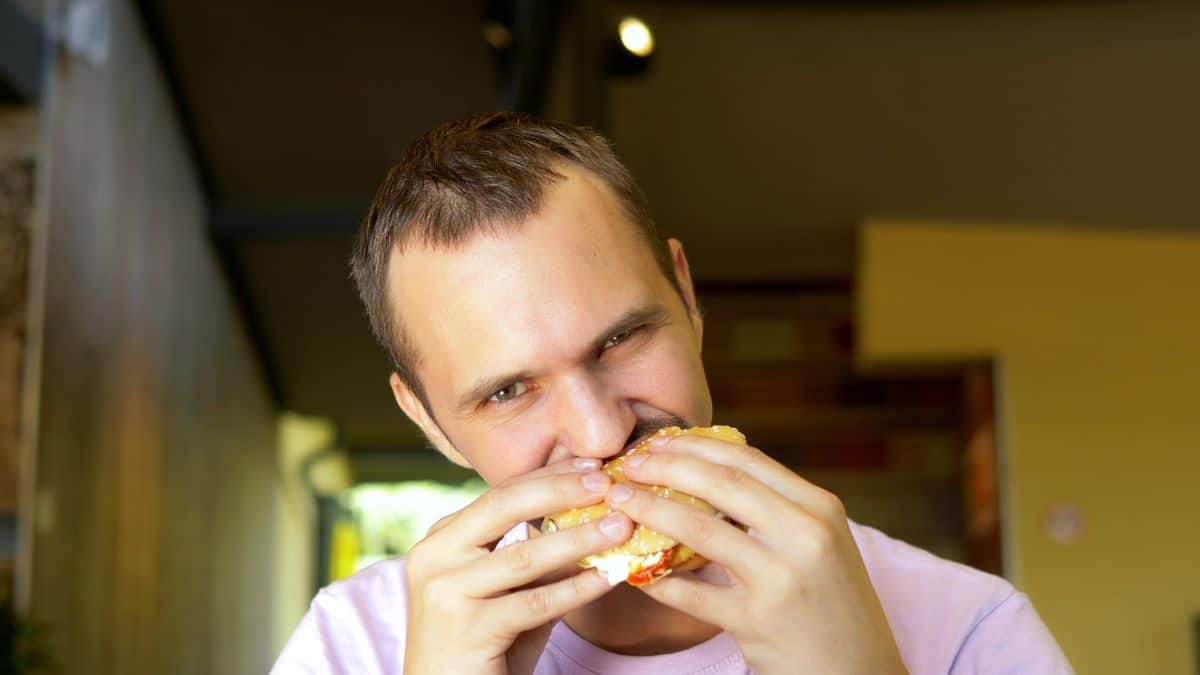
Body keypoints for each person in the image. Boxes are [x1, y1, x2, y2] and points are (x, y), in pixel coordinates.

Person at [271, 112, 1072, 674]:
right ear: (428, 419)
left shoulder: (970, 629)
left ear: (687, 297)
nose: (598, 433)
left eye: (621, 339)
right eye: (509, 389)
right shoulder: (353, 646)